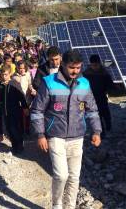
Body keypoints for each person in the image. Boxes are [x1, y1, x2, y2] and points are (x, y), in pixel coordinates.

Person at [31, 50, 102, 209]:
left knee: (74, 177)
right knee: (61, 175)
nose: (75, 71)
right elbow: (37, 111)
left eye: (78, 68)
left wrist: (96, 131)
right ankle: (56, 204)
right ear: (63, 64)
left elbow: (92, 110)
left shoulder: (84, 83)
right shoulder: (49, 82)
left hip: (77, 137)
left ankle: (69, 206)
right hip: (56, 136)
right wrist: (40, 134)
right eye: (72, 68)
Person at [0, 68, 28, 154]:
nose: (4, 76)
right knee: (9, 129)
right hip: (5, 111)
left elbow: (22, 96)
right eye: (2, 75)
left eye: (6, 74)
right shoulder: (0, 85)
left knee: (15, 129)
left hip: (15, 111)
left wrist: (25, 107)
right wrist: (0, 103)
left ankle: (19, 146)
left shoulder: (14, 83)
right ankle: (14, 146)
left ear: (10, 74)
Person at [82, 54, 114, 137]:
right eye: (92, 65)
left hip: (102, 96)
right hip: (92, 98)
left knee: (105, 113)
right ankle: (101, 132)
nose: (94, 67)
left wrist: (111, 89)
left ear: (99, 63)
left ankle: (108, 124)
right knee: (97, 115)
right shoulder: (86, 73)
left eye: (96, 65)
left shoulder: (104, 73)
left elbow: (110, 84)